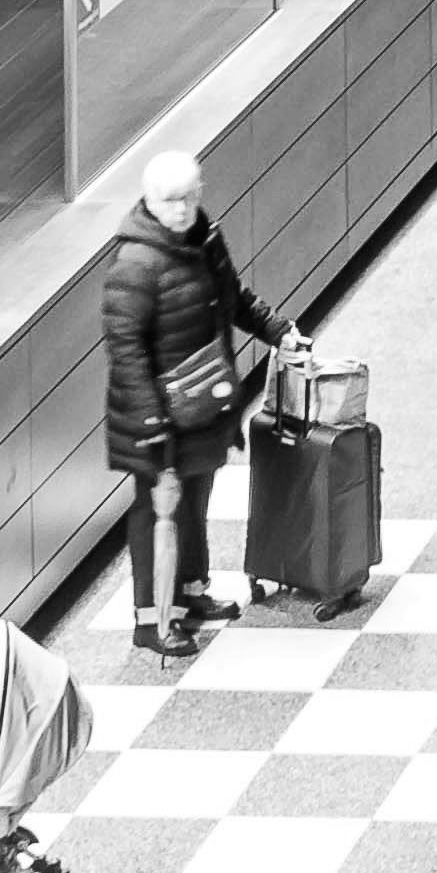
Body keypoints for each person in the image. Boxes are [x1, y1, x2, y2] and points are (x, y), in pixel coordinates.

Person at [91, 150, 285, 655]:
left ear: (199, 194)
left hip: (200, 407)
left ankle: (191, 595)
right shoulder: (135, 264)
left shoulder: (205, 237)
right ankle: (152, 620)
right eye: (167, 201)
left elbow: (232, 297)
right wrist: (152, 418)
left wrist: (276, 331)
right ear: (150, 200)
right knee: (156, 515)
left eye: (187, 198)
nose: (179, 210)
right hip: (156, 420)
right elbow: (124, 349)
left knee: (194, 503)